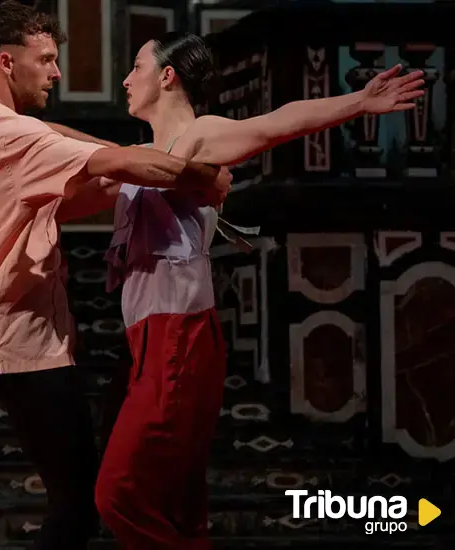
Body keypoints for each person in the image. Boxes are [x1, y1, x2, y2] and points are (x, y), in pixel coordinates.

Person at [0, 4, 232, 549]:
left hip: (31, 336)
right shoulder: (10, 137)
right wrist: (202, 176)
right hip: (22, 342)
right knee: (78, 507)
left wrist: (135, 176)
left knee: (84, 497)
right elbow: (125, 165)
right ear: (6, 63)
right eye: (45, 59)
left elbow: (79, 189)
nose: (56, 72)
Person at [81, 32, 424, 549]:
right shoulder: (147, 154)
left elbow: (276, 123)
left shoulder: (200, 134)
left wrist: (359, 102)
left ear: (168, 76)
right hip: (152, 339)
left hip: (178, 334)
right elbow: (81, 152)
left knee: (118, 494)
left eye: (136, 67)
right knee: (176, 503)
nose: (126, 79)